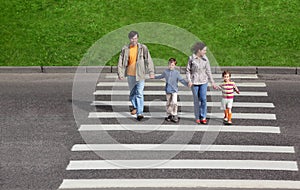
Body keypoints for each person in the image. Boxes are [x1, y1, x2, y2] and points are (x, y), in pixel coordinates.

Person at [117, 31, 155, 121]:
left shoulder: (143, 48)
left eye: (135, 38)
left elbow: (148, 60)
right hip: (130, 75)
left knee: (139, 93)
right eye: (132, 38)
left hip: (140, 75)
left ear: (138, 38)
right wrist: (120, 73)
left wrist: (151, 71)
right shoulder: (125, 49)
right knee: (132, 94)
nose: (134, 40)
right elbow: (121, 62)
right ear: (129, 39)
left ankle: (140, 113)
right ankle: (136, 106)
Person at [186, 42, 217, 124]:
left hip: (204, 81)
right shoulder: (191, 58)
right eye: (204, 50)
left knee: (203, 99)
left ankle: (203, 116)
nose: (205, 52)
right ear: (199, 50)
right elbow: (188, 71)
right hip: (194, 82)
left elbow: (208, 71)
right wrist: (189, 80)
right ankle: (197, 116)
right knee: (196, 100)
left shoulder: (206, 59)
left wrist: (212, 82)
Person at [154, 58, 188, 123]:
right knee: (168, 103)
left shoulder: (177, 73)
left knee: (174, 102)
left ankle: (175, 114)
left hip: (174, 90)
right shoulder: (166, 72)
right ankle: (169, 114)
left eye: (172, 65)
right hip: (168, 90)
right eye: (169, 64)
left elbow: (181, 80)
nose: (170, 66)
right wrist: (154, 77)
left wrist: (187, 84)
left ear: (174, 65)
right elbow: (161, 76)